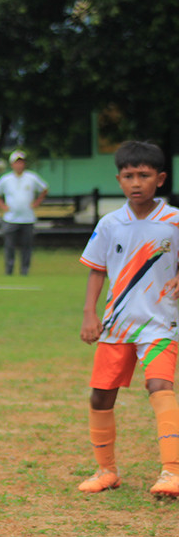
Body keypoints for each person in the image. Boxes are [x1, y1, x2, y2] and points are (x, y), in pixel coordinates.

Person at [77, 141, 179, 497]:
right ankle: (106, 471)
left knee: (159, 387)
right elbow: (96, 271)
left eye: (144, 175)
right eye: (128, 175)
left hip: (160, 325)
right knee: (100, 397)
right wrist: (90, 314)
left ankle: (172, 472)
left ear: (160, 178)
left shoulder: (174, 222)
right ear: (119, 179)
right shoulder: (110, 224)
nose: (136, 182)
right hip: (116, 326)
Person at [0, 150, 48, 276]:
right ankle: (9, 271)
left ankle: (24, 271)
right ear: (12, 165)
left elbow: (44, 188)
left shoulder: (31, 177)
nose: (19, 165)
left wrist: (37, 202)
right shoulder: (6, 179)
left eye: (21, 163)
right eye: (17, 163)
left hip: (28, 219)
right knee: (9, 247)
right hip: (10, 218)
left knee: (26, 247)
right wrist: (2, 205)